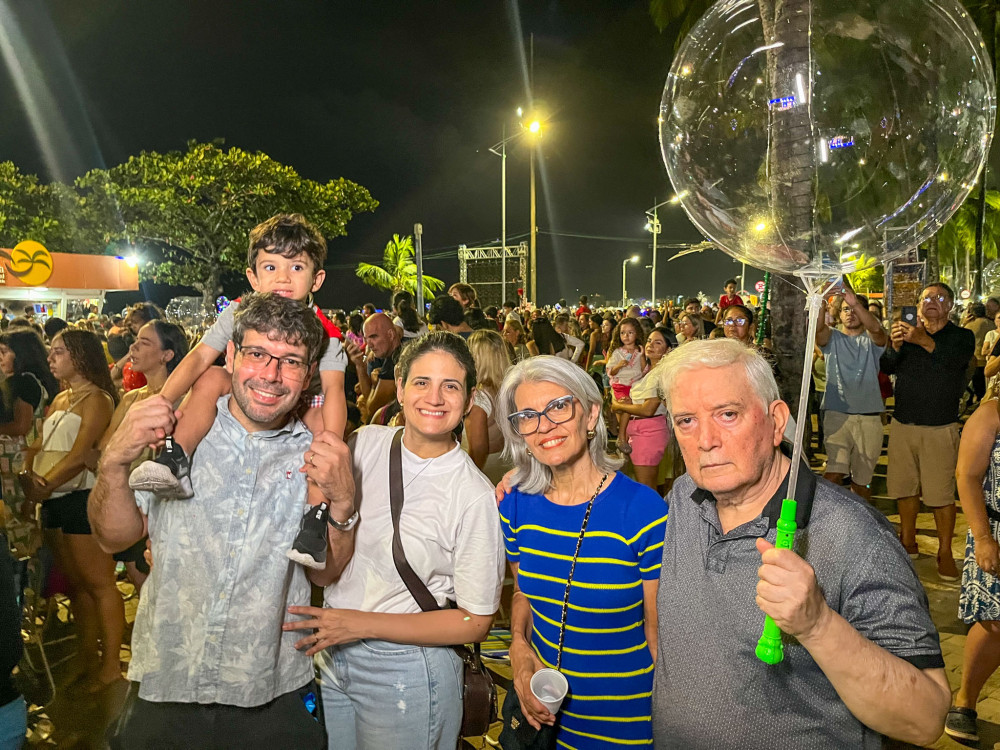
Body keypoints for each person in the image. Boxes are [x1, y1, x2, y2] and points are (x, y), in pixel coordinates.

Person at [652, 339, 950, 748]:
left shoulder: (854, 535)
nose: (706, 439)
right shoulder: (683, 498)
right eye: (686, 420)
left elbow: (925, 718)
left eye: (727, 414)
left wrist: (818, 625)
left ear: (776, 422)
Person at [92, 293, 356, 750]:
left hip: (271, 690)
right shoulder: (175, 434)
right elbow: (113, 538)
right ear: (230, 355)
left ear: (309, 372)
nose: (270, 375)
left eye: (290, 361)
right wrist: (113, 462)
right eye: (257, 354)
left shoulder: (318, 451)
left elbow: (325, 572)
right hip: (166, 679)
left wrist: (344, 505)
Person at [284, 332, 504, 749]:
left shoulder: (472, 495)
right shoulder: (364, 442)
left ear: (469, 400)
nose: (434, 398)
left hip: (408, 668)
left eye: (450, 386)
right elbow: (326, 568)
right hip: (332, 655)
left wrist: (359, 623)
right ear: (400, 387)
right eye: (422, 382)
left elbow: (475, 622)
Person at [127, 214, 348, 571]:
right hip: (252, 393)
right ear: (253, 276)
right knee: (213, 376)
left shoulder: (327, 333)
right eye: (271, 267)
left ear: (316, 278)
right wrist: (162, 402)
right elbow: (199, 356)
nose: (282, 278)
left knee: (324, 426)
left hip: (301, 400)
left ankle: (314, 519)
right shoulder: (238, 311)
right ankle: (175, 456)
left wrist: (331, 445)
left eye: (296, 267)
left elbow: (335, 390)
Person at [496, 355, 667, 748]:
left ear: (590, 414)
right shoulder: (514, 504)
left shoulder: (643, 511)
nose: (544, 426)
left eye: (558, 407)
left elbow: (658, 634)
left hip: (626, 724)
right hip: (543, 721)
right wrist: (519, 645)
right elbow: (523, 592)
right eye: (528, 415)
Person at [22, 330, 120, 693]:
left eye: (59, 352)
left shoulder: (98, 399)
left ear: (80, 356)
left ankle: (111, 665)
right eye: (51, 352)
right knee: (77, 586)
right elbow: (39, 445)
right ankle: (87, 656)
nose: (51, 358)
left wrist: (42, 485)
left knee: (99, 583)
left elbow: (81, 455)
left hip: (80, 498)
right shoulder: (61, 398)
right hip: (53, 499)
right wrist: (29, 474)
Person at [881, 282, 975, 579]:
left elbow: (953, 363)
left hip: (939, 426)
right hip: (903, 423)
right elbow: (887, 367)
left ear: (950, 306)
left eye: (940, 297)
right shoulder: (907, 335)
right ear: (919, 305)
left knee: (940, 494)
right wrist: (895, 346)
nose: (932, 301)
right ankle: (907, 541)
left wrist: (922, 339)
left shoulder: (961, 336)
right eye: (927, 298)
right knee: (904, 488)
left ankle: (944, 551)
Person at [93, 320, 188, 592]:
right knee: (139, 581)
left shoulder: (185, 398)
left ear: (167, 355)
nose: (133, 347)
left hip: (161, 504)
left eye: (144, 342)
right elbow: (107, 446)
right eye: (135, 340)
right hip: (128, 499)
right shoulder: (131, 399)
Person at [947, 396, 1000, 743]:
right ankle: (965, 700)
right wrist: (982, 538)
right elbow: (966, 476)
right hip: (995, 532)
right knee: (994, 623)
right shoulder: (991, 414)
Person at [815, 286, 886, 501]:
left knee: (862, 480)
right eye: (845, 309)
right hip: (837, 415)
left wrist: (854, 302)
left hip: (869, 417)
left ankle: (861, 517)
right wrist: (821, 300)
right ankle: (824, 513)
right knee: (834, 473)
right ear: (839, 313)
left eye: (855, 309)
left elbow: (876, 329)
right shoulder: (832, 337)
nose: (850, 313)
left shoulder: (872, 341)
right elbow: (817, 329)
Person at [0, 330, 58, 556]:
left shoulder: (23, 382)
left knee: (21, 521)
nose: (0, 357)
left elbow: (21, 426)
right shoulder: (27, 380)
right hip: (21, 461)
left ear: (20, 353)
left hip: (17, 462)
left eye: (4, 352)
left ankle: (30, 568)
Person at [611, 328, 672, 490]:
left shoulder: (661, 373)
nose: (650, 345)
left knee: (646, 488)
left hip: (648, 432)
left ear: (668, 350)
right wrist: (629, 402)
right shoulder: (649, 371)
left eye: (658, 343)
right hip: (641, 432)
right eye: (649, 341)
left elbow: (648, 409)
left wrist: (618, 405)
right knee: (645, 485)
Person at [463, 329, 512, 483]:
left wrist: (468, 481)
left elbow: (479, 449)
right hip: (508, 462)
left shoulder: (478, 399)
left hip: (485, 470)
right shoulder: (509, 389)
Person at [350, 312, 402, 424]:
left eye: (374, 337)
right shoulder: (398, 352)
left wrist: (374, 384)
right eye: (366, 339)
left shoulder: (394, 362)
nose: (370, 345)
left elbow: (372, 408)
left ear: (391, 335)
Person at [607, 318, 646, 454]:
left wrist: (642, 356)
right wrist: (618, 366)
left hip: (635, 386)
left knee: (626, 412)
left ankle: (624, 440)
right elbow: (611, 371)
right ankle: (622, 436)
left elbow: (644, 370)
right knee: (626, 406)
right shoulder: (617, 352)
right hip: (621, 385)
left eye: (630, 332)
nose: (626, 336)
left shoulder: (640, 351)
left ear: (637, 333)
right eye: (623, 333)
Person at [964, 302, 994, 406]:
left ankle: (977, 402)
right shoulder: (991, 324)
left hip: (974, 359)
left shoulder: (969, 325)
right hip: (989, 359)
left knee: (977, 385)